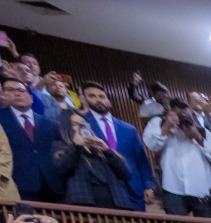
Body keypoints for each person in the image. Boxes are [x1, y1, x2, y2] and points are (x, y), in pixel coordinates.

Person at [77, 81, 154, 208]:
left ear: (109, 101)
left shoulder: (129, 129)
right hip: (104, 190)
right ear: (84, 99)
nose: (98, 100)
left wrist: (148, 185)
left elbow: (141, 161)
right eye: (92, 96)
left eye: (102, 96)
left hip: (133, 189)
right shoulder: (81, 123)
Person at [143, 100, 211, 216]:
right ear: (170, 113)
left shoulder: (201, 131)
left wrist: (198, 137)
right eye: (179, 114)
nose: (182, 118)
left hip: (201, 189)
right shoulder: (159, 124)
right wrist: (167, 126)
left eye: (186, 114)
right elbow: (151, 145)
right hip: (172, 187)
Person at [52, 111, 137, 210]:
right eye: (74, 124)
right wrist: (75, 146)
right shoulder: (60, 147)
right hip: (84, 206)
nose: (80, 128)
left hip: (116, 206)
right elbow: (62, 169)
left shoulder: (101, 149)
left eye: (83, 124)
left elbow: (125, 174)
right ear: (66, 127)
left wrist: (107, 151)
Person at [1, 73, 60, 203]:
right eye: (11, 90)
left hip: (53, 186)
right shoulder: (1, 121)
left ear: (31, 98)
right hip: (18, 186)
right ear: (2, 95)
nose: (17, 93)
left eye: (21, 90)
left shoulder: (51, 124)